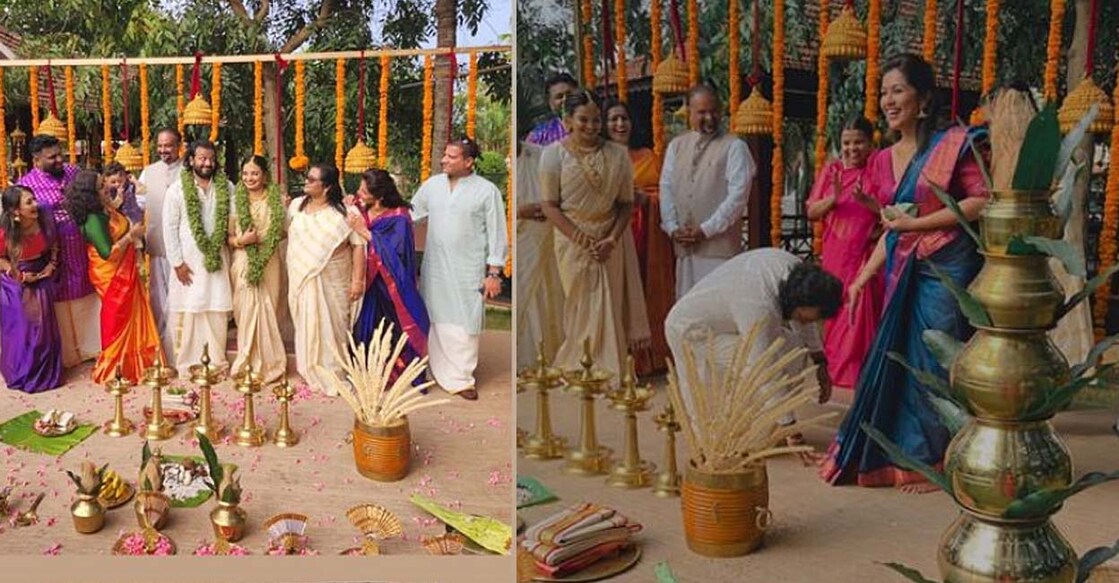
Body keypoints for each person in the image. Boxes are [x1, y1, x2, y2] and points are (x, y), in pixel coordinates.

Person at [819, 53, 990, 494]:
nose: (888, 100)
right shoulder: (882, 159)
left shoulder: (952, 143)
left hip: (946, 269)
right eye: (883, 92)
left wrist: (915, 226)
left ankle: (939, 460)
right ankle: (905, 456)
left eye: (898, 90)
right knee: (904, 363)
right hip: (903, 265)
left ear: (924, 97)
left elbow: (980, 200)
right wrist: (860, 279)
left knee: (936, 361)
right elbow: (893, 229)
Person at [664, 248, 841, 459]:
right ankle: (728, 437)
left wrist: (820, 362)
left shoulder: (796, 272)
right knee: (752, 371)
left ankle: (766, 427)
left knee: (793, 349)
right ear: (802, 301)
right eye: (814, 316)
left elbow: (805, 322)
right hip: (692, 332)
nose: (812, 323)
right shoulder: (759, 305)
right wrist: (792, 433)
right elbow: (765, 369)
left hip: (726, 321)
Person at [540, 91, 650, 380]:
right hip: (572, 241)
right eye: (583, 120)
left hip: (609, 240)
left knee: (609, 302)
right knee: (579, 304)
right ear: (568, 121)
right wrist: (580, 239)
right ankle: (579, 363)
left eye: (596, 120)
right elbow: (549, 206)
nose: (591, 126)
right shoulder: (553, 155)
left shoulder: (617, 154)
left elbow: (625, 204)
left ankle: (609, 367)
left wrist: (611, 239)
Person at [411, 138, 508, 401]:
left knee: (465, 321)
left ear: (468, 162)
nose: (444, 160)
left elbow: (498, 233)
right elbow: (409, 213)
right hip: (435, 267)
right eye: (444, 155)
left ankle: (462, 378)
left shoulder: (487, 191)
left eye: (451, 157)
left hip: (469, 268)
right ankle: (432, 371)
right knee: (434, 317)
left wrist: (493, 273)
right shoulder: (432, 186)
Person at [805, 116, 884, 392]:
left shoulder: (877, 170)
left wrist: (867, 202)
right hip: (835, 254)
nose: (852, 149)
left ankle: (856, 373)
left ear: (870, 142)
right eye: (846, 143)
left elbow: (891, 213)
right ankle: (835, 370)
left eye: (858, 142)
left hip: (863, 256)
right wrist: (833, 199)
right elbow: (812, 212)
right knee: (834, 312)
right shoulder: (831, 172)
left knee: (858, 311)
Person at [66, 170, 162, 384]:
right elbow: (107, 253)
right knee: (118, 320)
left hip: (123, 270)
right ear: (91, 194)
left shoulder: (103, 208)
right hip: (111, 275)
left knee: (130, 317)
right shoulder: (93, 219)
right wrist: (131, 236)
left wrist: (121, 195)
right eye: (101, 186)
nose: (106, 188)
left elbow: (116, 214)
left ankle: (135, 365)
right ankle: (114, 368)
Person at [659, 85, 754, 299]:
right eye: (702, 112)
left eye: (714, 111)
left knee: (717, 310)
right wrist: (673, 228)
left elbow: (737, 198)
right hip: (684, 249)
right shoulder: (676, 146)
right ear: (689, 112)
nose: (709, 117)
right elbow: (666, 188)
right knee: (687, 310)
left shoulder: (735, 147)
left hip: (718, 251)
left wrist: (706, 230)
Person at [18, 134, 100, 368]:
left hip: (83, 246)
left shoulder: (73, 172)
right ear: (36, 160)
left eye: (59, 154)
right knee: (60, 299)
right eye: (51, 157)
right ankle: (67, 355)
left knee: (88, 291)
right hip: (52, 253)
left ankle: (91, 347)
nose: (58, 160)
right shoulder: (27, 185)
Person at [606, 100, 675, 375]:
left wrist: (645, 199)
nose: (620, 125)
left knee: (645, 294)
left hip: (648, 235)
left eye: (624, 118)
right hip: (613, 234)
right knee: (616, 294)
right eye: (613, 119)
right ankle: (618, 358)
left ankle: (649, 358)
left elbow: (667, 196)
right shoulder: (600, 157)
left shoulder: (648, 156)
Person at [287, 163, 365, 396]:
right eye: (307, 178)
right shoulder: (295, 207)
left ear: (328, 187)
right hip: (301, 277)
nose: (306, 182)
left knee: (333, 326)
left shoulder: (346, 213)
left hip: (335, 278)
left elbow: (359, 246)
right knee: (306, 323)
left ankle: (333, 372)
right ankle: (308, 368)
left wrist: (357, 281)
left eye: (312, 180)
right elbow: (285, 235)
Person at [348, 169, 430, 385]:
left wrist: (365, 232)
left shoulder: (399, 217)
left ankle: (396, 377)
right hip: (369, 283)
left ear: (380, 196)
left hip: (391, 286)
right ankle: (368, 376)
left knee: (392, 329)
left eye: (364, 191)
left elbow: (396, 253)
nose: (359, 193)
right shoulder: (363, 207)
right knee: (365, 329)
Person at [163, 140, 234, 377]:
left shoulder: (228, 188)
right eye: (202, 158)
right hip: (188, 263)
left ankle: (216, 362)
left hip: (217, 261)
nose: (207, 163)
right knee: (189, 309)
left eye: (211, 159)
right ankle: (187, 364)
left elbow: (233, 222)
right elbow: (169, 228)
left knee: (215, 310)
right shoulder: (177, 190)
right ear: (191, 160)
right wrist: (177, 263)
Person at [227, 156, 287, 385]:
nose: (249, 178)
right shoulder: (235, 201)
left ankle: (270, 363)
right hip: (243, 260)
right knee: (245, 310)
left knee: (269, 308)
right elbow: (228, 237)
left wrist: (262, 238)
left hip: (269, 260)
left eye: (254, 173)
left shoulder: (276, 200)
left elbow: (284, 232)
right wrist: (243, 240)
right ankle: (246, 360)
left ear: (264, 175)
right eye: (245, 174)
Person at [0, 185, 63, 393]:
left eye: (33, 199)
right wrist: (16, 273)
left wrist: (51, 266)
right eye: (28, 202)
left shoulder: (44, 220)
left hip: (41, 276)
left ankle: (45, 373)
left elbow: (54, 244)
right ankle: (25, 373)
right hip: (16, 282)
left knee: (45, 327)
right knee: (25, 327)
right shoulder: (5, 233)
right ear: (15, 212)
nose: (35, 204)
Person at [515, 138, 565, 371]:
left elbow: (561, 194)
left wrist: (549, 208)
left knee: (546, 295)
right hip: (516, 247)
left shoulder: (542, 155)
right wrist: (518, 212)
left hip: (544, 243)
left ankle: (547, 357)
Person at [138, 128, 185, 367]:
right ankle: (159, 353)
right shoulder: (148, 172)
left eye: (168, 145)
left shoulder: (189, 171)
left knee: (179, 300)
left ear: (179, 145)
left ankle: (180, 351)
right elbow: (137, 205)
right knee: (158, 299)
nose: (164, 150)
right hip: (157, 245)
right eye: (160, 146)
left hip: (184, 250)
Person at [525, 73, 578, 146]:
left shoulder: (593, 126)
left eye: (569, 94)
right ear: (550, 103)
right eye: (559, 97)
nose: (565, 99)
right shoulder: (539, 136)